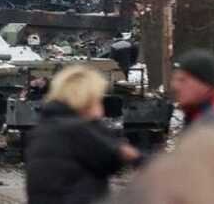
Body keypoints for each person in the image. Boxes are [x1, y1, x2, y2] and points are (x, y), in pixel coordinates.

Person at [26, 65, 141, 204]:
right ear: (86, 99)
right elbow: (112, 157)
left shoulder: (47, 128)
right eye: (97, 99)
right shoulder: (76, 130)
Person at [171, 49, 214, 127]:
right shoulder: (197, 113)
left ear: (202, 82)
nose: (175, 86)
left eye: (182, 80)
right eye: (175, 79)